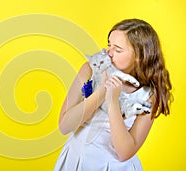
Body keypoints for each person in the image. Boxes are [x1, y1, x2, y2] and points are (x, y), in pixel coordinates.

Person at [54, 19, 173, 170]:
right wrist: (101, 92)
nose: (108, 53)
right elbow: (65, 126)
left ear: (139, 56)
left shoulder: (148, 95)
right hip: (74, 162)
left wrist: (112, 101)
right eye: (109, 44)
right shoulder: (89, 69)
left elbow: (124, 152)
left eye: (118, 49)